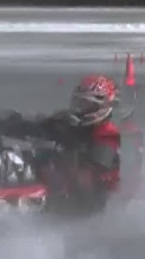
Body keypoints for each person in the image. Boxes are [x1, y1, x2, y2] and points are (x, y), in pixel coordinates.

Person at [36, 74, 124, 213]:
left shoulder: (107, 134)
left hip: (92, 199)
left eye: (86, 105)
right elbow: (43, 126)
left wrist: (59, 153)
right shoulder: (71, 121)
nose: (80, 109)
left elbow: (89, 173)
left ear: (100, 106)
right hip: (68, 185)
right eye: (78, 103)